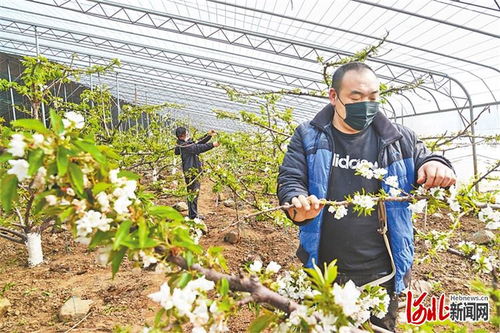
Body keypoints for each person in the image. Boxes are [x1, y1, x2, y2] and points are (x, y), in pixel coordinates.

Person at [277, 62, 456, 331]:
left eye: (373, 97)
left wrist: (437, 164)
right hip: (324, 268)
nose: (366, 105)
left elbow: (427, 157)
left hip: (383, 271)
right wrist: (296, 203)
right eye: (356, 97)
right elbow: (291, 179)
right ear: (333, 96)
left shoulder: (399, 138)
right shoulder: (309, 136)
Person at [174, 127, 219, 220]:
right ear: (183, 135)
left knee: (193, 193)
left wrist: (208, 135)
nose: (188, 134)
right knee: (193, 193)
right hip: (191, 173)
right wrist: (213, 145)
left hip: (191, 171)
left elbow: (196, 142)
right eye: (187, 133)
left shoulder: (183, 144)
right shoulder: (185, 146)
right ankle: (193, 216)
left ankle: (193, 214)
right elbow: (198, 147)